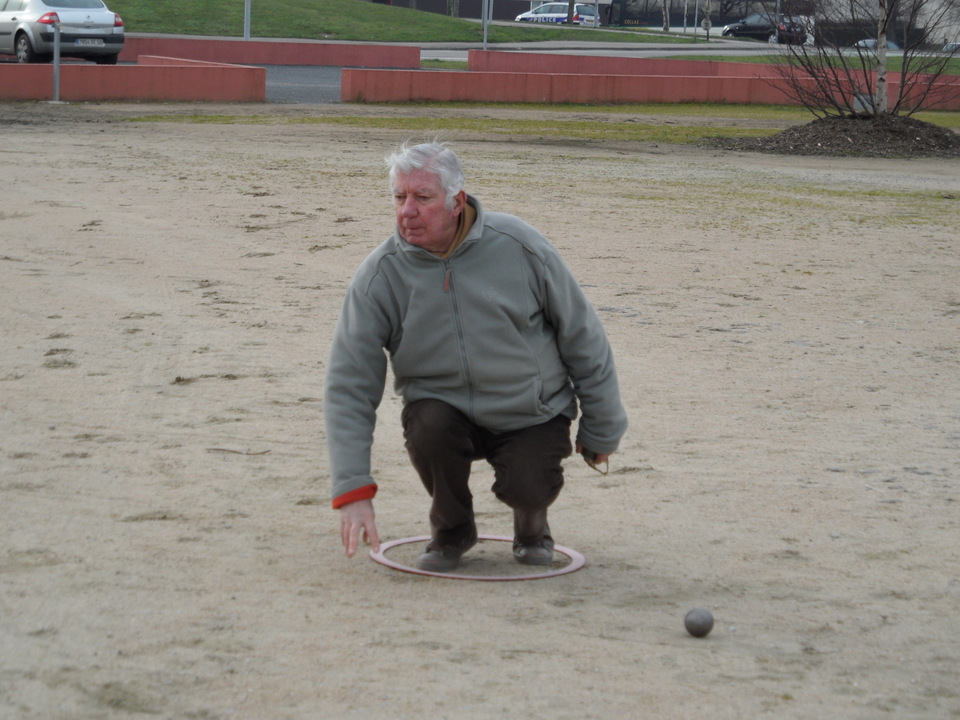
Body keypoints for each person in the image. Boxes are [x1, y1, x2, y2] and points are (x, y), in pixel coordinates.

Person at [325, 141, 627, 572]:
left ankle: (531, 523)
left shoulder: (521, 246)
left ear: (456, 202)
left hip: (531, 407)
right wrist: (353, 489)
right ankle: (452, 530)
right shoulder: (380, 275)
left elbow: (584, 336)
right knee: (428, 425)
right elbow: (348, 382)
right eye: (399, 197)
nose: (406, 211)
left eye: (422, 198)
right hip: (442, 409)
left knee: (530, 484)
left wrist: (602, 428)